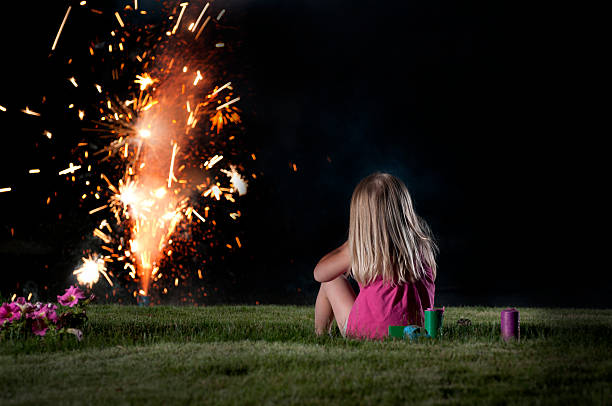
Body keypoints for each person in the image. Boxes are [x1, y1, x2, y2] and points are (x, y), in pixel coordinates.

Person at [313, 173, 437, 339]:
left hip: (368, 332)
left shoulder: (362, 248)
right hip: (413, 332)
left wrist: (351, 243)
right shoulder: (422, 246)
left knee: (332, 281)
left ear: (361, 217)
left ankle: (321, 335)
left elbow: (319, 273)